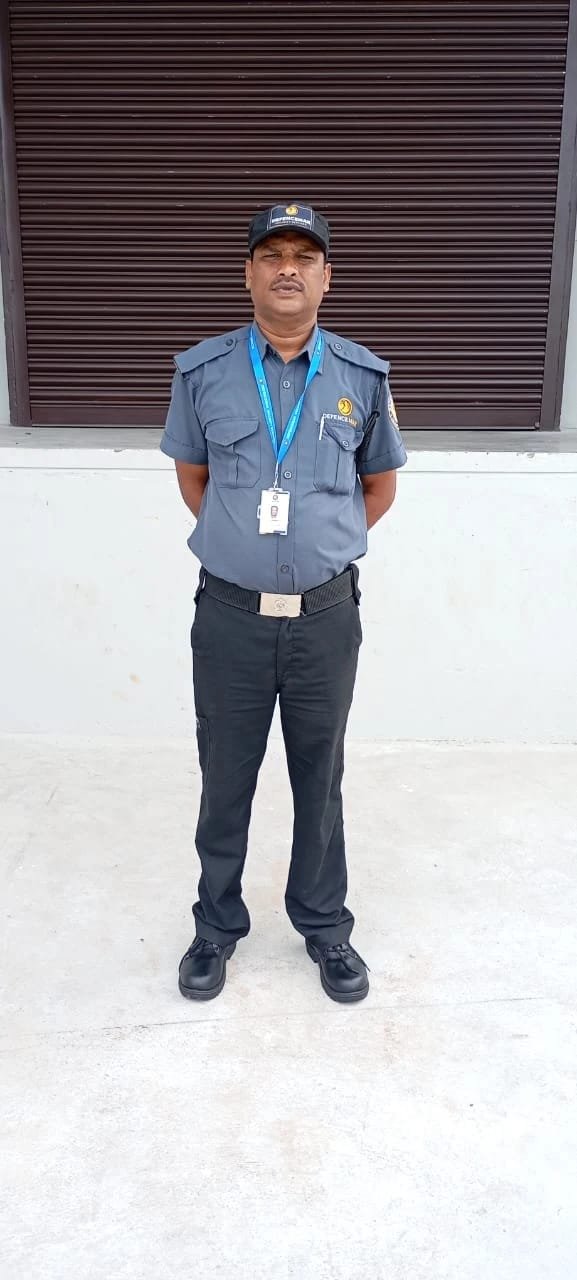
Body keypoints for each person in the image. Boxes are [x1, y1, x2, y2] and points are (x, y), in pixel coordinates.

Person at [160, 202, 407, 1004]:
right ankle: (215, 926)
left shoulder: (362, 378)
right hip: (229, 617)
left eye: (304, 256)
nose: (288, 269)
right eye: (272, 256)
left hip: (325, 620)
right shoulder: (202, 373)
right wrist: (245, 548)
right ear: (249, 275)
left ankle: (324, 926)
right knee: (224, 776)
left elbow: (378, 488)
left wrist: (319, 546)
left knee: (319, 776)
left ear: (327, 277)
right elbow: (194, 479)